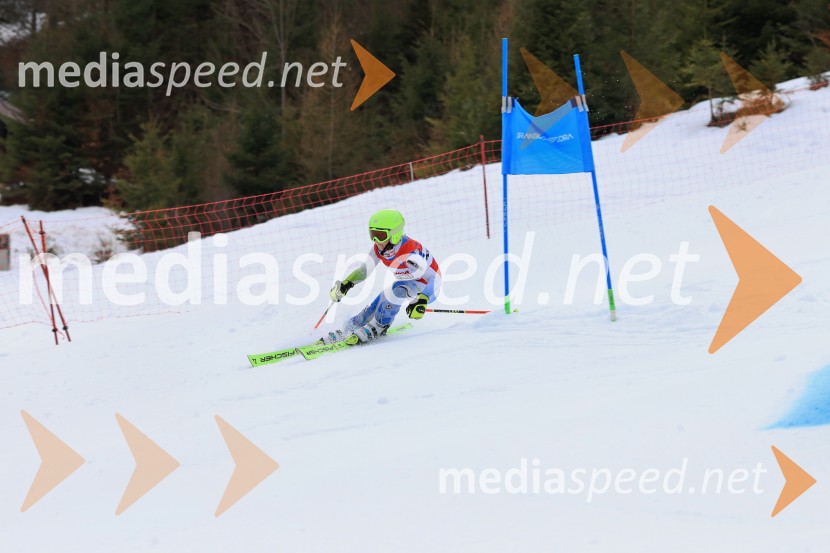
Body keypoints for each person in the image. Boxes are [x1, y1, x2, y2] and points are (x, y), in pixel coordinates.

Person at [327, 209, 442, 344]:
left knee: (395, 293)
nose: (376, 240)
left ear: (394, 234)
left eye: (380, 235)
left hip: (427, 287)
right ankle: (353, 326)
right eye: (373, 234)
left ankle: (380, 326)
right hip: (406, 283)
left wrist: (422, 299)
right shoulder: (379, 249)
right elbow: (364, 271)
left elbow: (436, 279)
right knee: (378, 304)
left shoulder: (411, 253)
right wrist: (346, 284)